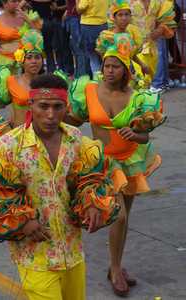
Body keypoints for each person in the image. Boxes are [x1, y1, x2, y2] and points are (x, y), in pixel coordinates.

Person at [0, 73, 124, 299]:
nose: (50, 115)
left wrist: (92, 203)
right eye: (43, 106)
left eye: (57, 107)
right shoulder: (8, 146)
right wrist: (21, 219)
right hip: (34, 255)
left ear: (66, 107)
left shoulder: (76, 139)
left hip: (72, 250)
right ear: (31, 104)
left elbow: (89, 178)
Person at [66, 47, 165, 297]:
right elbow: (73, 120)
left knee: (125, 216)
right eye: (106, 65)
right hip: (103, 162)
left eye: (116, 66)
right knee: (118, 216)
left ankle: (116, 267)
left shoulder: (137, 97)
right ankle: (115, 267)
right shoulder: (88, 91)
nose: (109, 71)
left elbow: (144, 135)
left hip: (130, 161)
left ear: (125, 70)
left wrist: (137, 134)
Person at [96, 0, 150, 88]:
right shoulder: (108, 37)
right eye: (120, 15)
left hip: (129, 72)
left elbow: (130, 55)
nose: (124, 18)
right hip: (114, 76)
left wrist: (142, 65)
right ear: (114, 18)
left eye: (126, 14)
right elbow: (104, 58)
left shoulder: (131, 34)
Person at [126, 0, 176, 93]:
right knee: (142, 64)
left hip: (153, 37)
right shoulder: (128, 3)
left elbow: (166, 17)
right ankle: (157, 84)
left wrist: (160, 29)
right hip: (138, 40)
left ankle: (159, 84)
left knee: (158, 57)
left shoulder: (158, 2)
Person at [0, 0, 42, 79]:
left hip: (25, 64)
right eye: (13, 1)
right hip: (4, 65)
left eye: (18, 1)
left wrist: (28, 20)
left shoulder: (27, 18)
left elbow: (39, 38)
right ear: (4, 3)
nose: (17, 4)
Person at [76, 0, 109, 75]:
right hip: (103, 24)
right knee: (103, 55)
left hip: (89, 25)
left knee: (93, 56)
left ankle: (97, 80)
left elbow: (80, 9)